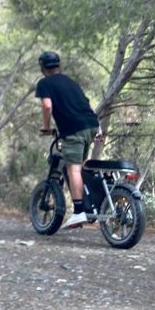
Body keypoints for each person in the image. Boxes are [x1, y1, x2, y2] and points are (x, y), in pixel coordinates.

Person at [35, 51, 103, 229]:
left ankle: (79, 211)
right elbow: (87, 105)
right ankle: (89, 205)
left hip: (73, 129)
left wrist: (45, 126)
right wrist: (98, 128)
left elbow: (47, 105)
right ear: (58, 65)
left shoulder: (44, 83)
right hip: (91, 125)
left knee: (72, 169)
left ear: (42, 67)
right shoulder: (71, 82)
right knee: (79, 167)